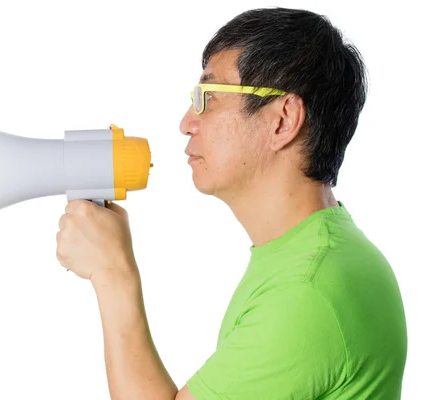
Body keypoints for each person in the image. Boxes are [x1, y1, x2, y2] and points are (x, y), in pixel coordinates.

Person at [55, 7, 407, 400]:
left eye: (208, 96)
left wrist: (112, 273)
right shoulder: (318, 255)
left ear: (283, 120)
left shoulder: (307, 291)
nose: (187, 121)